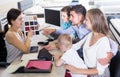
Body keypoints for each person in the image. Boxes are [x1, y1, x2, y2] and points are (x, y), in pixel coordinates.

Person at [64, 8, 117, 77]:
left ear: (94, 22)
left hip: (97, 75)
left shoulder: (103, 42)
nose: (84, 22)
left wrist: (76, 70)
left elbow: (99, 71)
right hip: (87, 70)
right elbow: (76, 46)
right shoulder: (91, 34)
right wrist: (59, 47)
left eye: (86, 20)